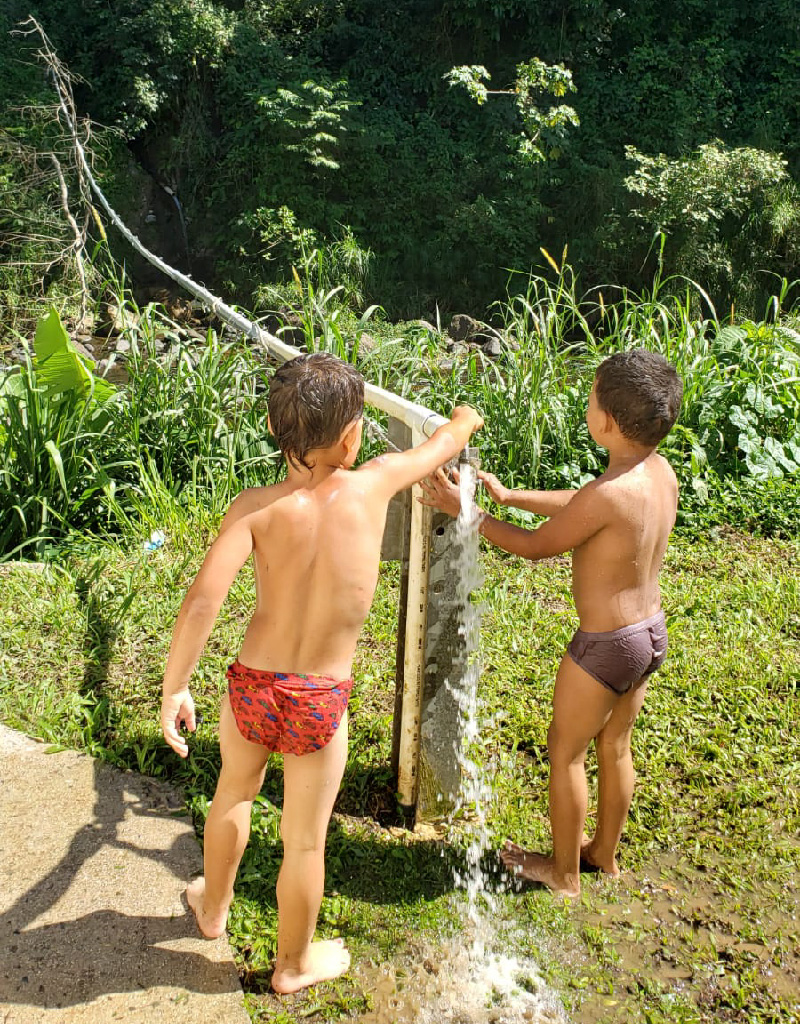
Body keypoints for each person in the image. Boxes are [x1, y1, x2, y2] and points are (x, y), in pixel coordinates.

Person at [160, 351, 483, 992]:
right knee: (305, 841)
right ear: (351, 435)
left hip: (254, 685)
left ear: (279, 434)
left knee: (233, 793)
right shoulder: (375, 483)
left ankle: (213, 906)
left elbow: (203, 600)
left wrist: (176, 685)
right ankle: (293, 964)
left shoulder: (253, 508)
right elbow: (441, 443)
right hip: (318, 697)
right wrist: (464, 422)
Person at [421, 348, 682, 898]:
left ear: (605, 421)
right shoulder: (658, 474)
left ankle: (563, 874)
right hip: (648, 635)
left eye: (590, 398)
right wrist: (513, 495)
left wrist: (463, 511)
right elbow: (584, 503)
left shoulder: (607, 494)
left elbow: (537, 547)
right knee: (616, 746)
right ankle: (602, 855)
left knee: (566, 750)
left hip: (605, 646)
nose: (586, 405)